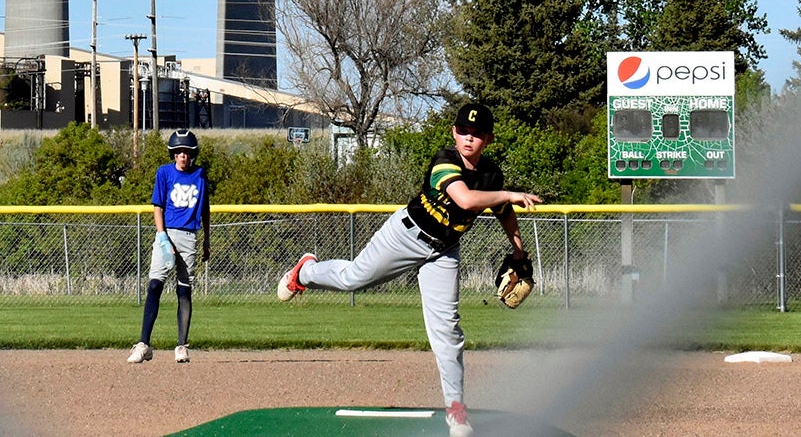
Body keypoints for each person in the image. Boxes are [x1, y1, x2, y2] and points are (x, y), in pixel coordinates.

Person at [276, 102, 541, 437]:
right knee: (352, 278)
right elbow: (465, 200)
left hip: (444, 251)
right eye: (463, 131)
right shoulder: (445, 160)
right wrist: (510, 193)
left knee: (448, 332)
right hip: (406, 235)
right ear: (453, 133)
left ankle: (456, 411)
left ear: (488, 138)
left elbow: (503, 211)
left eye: (476, 133)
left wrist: (519, 252)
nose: (468, 138)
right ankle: (305, 271)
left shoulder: (491, 175)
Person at [128, 129, 211, 365]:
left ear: (192, 154)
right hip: (166, 235)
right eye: (179, 152)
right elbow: (158, 207)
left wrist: (207, 240)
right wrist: (162, 236)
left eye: (186, 152)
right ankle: (144, 344)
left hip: (189, 236)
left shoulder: (200, 175)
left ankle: (181, 346)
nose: (183, 156)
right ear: (173, 154)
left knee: (184, 291)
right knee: (154, 285)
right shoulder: (164, 172)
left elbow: (205, 209)